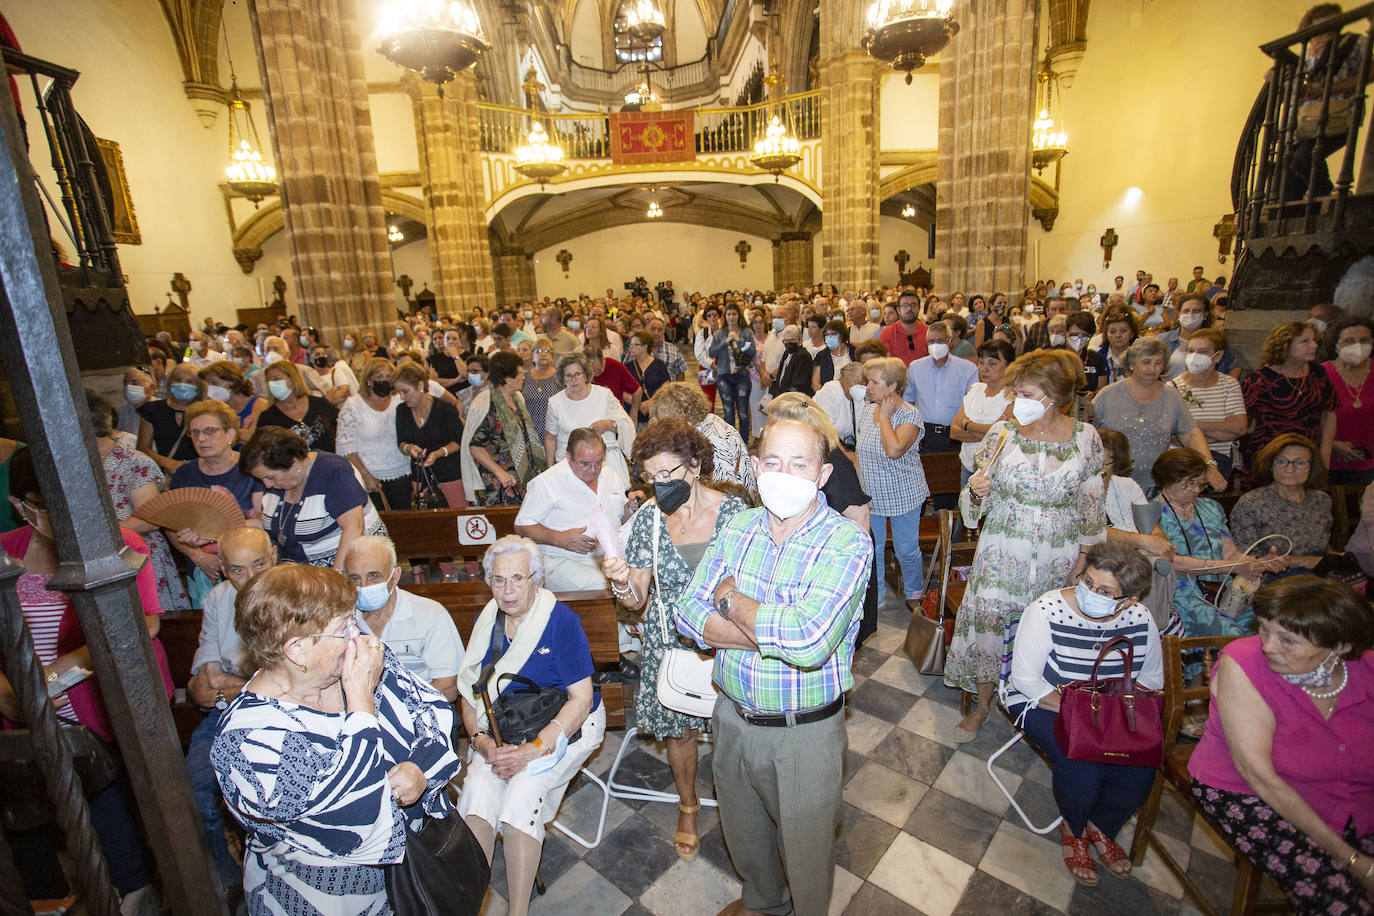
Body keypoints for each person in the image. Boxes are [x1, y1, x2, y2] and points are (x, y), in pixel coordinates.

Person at [674, 419, 873, 916]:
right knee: (746, 841)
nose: (784, 474)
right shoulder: (739, 526)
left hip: (802, 734)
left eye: (799, 464)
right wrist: (768, 627)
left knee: (806, 859)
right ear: (756, 466)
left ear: (823, 474)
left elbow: (808, 641)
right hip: (732, 719)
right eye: (773, 462)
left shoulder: (846, 543)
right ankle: (764, 907)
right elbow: (686, 611)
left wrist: (731, 601)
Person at [211, 563, 461, 916]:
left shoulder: (357, 658)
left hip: (416, 878)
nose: (358, 637)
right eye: (343, 628)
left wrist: (420, 770)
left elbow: (434, 712)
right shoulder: (248, 739)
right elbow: (355, 818)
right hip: (318, 899)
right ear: (296, 650)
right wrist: (361, 701)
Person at [0, 448, 174, 912]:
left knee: (108, 797)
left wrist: (48, 678)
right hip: (21, 700)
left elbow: (143, 623)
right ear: (21, 506)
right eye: (45, 506)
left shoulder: (118, 544)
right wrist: (12, 690)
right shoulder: (6, 550)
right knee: (31, 807)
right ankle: (52, 897)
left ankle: (135, 889)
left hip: (97, 696)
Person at [602, 418, 748, 861]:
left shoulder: (738, 515)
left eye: (670, 473)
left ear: (696, 464)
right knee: (679, 733)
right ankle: (688, 806)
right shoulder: (649, 519)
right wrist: (622, 582)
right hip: (670, 643)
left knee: (734, 733)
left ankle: (741, 809)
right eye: (652, 476)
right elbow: (638, 597)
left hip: (728, 643)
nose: (661, 484)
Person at [945, 350, 1107, 742]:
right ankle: (983, 705)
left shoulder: (1086, 439)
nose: (1019, 401)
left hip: (1058, 554)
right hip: (1003, 551)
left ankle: (1035, 703)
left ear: (1054, 396)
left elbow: (1091, 507)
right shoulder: (1002, 435)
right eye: (1016, 392)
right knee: (990, 626)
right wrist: (978, 491)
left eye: (1028, 393)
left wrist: (1084, 560)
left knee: (1042, 631)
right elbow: (972, 502)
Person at [1188, 575, 1374, 913]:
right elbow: (1261, 777)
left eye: (1287, 640)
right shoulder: (1244, 663)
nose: (1269, 645)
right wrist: (1357, 862)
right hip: (1249, 788)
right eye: (1263, 629)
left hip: (1353, 796)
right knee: (1340, 901)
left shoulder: (1368, 669)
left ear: (1340, 646)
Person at [455, 536, 606, 916]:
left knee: (522, 793)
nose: (508, 590)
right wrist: (482, 743)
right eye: (499, 580)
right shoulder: (486, 620)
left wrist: (532, 750)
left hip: (564, 726)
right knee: (477, 788)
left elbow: (581, 700)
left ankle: (517, 911)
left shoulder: (561, 622)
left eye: (518, 579)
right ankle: (472, 903)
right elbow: (471, 694)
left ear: (536, 579)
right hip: (501, 729)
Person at [1006, 543, 1163, 886]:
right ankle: (1074, 827)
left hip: (1113, 708)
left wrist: (1109, 718)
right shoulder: (1047, 610)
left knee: (1141, 766)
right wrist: (1087, 716)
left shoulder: (1140, 619)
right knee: (1082, 762)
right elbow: (1026, 681)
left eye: (1105, 591)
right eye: (1088, 581)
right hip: (1047, 699)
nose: (1091, 592)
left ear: (1128, 600)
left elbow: (1151, 680)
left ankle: (1102, 825)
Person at [185, 526, 275, 898]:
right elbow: (206, 660)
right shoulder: (219, 599)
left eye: (259, 564)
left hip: (275, 714)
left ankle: (268, 874)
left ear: (273, 556)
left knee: (258, 795)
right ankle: (225, 884)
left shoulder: (298, 594)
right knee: (192, 791)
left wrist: (228, 683)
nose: (251, 578)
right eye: (238, 570)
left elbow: (289, 676)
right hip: (224, 714)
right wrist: (206, 681)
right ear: (222, 568)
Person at [764, 393, 879, 644]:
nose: (768, 431)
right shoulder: (800, 459)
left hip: (840, 558)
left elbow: (860, 518)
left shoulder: (833, 461)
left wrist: (858, 572)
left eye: (774, 425)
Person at [1152, 448, 1285, 638]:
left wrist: (1259, 562)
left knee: (1266, 622)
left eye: (1201, 484)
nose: (1196, 490)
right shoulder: (1152, 513)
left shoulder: (1211, 508)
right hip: (1180, 595)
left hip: (1225, 591)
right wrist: (1232, 567)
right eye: (1189, 484)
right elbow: (1172, 562)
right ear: (1167, 479)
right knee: (1230, 633)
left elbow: (1231, 555)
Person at [86, 389, 191, 612]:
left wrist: (98, 533)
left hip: (136, 556)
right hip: (96, 559)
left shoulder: (132, 462)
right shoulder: (77, 465)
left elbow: (150, 519)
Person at [240, 427, 386, 571]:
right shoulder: (279, 482)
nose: (267, 484)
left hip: (354, 564)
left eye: (270, 477)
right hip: (301, 572)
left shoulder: (334, 471)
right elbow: (267, 520)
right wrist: (235, 527)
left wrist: (338, 576)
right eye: (262, 479)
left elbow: (354, 527)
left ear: (294, 463)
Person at [1093, 337, 1227, 494]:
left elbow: (1190, 433)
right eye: (1146, 362)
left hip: (1157, 484)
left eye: (1158, 363)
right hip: (1112, 484)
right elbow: (1086, 433)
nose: (1153, 368)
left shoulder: (1172, 396)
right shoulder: (1108, 395)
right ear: (1131, 364)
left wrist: (1209, 465)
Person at [341, 535, 463, 699]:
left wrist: (399, 717)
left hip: (420, 713)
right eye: (355, 578)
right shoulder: (339, 619)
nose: (364, 586)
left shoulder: (431, 615)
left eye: (374, 576)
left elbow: (448, 685)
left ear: (395, 576)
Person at [514, 428, 629, 592]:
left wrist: (632, 508)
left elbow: (624, 516)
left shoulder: (610, 475)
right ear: (568, 457)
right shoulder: (546, 482)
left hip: (612, 559)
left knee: (639, 581)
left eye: (599, 462)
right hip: (561, 561)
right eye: (585, 464)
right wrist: (559, 538)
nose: (593, 469)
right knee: (610, 587)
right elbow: (521, 527)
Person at [858, 356, 930, 607]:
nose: (868, 387)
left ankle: (914, 592)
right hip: (872, 493)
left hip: (903, 494)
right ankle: (876, 596)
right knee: (873, 549)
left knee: (906, 550)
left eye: (874, 382)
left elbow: (894, 449)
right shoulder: (868, 409)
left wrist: (886, 417)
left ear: (893, 386)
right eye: (867, 381)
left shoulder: (910, 415)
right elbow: (862, 451)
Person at [1242, 321, 1337, 483]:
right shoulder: (1260, 379)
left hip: (1309, 454)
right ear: (1285, 345)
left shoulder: (1318, 373)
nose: (1314, 345)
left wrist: (1324, 455)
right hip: (1271, 455)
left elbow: (1329, 414)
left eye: (1314, 340)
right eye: (1305, 341)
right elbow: (1242, 418)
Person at [1229, 434, 1333, 575]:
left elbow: (1323, 548)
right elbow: (1243, 558)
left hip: (1319, 574)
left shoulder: (1321, 500)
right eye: (1281, 462)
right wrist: (1299, 561)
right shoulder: (1251, 503)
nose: (1290, 469)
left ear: (1312, 467)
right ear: (1270, 466)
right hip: (1269, 579)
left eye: (1300, 463)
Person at [461, 350, 547, 506]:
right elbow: (475, 446)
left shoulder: (517, 397)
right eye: (520, 373)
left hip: (522, 477)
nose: (524, 376)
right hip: (499, 483)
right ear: (508, 379)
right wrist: (500, 473)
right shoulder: (485, 403)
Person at [1167, 327, 1248, 481]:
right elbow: (1172, 434)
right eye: (1191, 351)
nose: (1194, 356)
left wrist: (1190, 427)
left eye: (1202, 351)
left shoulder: (1229, 385)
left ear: (1218, 356)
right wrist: (1222, 429)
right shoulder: (1172, 387)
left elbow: (1239, 428)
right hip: (1183, 460)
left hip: (1220, 460)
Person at [651, 382, 757, 495]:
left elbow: (727, 489)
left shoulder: (714, 439)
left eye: (664, 421)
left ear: (678, 416)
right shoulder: (709, 422)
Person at [336, 358, 411, 513]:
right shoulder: (354, 405)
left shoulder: (400, 400)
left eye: (388, 376)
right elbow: (345, 446)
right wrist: (366, 475)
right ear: (369, 380)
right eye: (379, 377)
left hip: (402, 472)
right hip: (369, 477)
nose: (384, 381)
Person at [393, 362, 466, 509]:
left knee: (456, 517)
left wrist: (438, 453)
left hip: (449, 473)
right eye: (398, 392)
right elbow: (401, 441)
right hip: (420, 475)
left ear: (420, 385)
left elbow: (458, 441)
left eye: (405, 391)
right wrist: (409, 448)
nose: (402, 397)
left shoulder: (445, 409)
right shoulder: (402, 410)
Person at [904, 319, 979, 459]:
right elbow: (908, 402)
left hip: (955, 435)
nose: (935, 345)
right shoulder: (915, 367)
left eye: (940, 341)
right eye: (931, 341)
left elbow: (973, 405)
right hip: (924, 435)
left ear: (949, 341)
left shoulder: (967, 369)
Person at [952, 339, 1014, 487]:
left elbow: (1002, 438)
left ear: (1009, 366)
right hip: (967, 465)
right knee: (965, 508)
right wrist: (991, 429)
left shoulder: (1013, 396)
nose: (984, 368)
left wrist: (966, 424)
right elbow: (954, 432)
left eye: (992, 363)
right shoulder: (974, 389)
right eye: (981, 362)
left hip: (995, 470)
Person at [1322, 317, 1374, 486]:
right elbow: (1304, 417)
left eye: (1364, 340)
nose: (1357, 346)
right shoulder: (1320, 374)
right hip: (1327, 461)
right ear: (1336, 344)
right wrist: (1333, 444)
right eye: (1349, 341)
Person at [255, 359, 338, 453]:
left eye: (276, 379)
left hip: (330, 464)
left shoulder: (321, 405)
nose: (272, 384)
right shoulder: (267, 418)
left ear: (293, 379)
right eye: (268, 380)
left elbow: (344, 426)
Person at [137, 361, 204, 472]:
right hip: (165, 474)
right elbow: (142, 449)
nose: (182, 385)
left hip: (199, 472)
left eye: (189, 382)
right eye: (178, 380)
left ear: (198, 387)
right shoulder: (153, 410)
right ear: (169, 383)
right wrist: (169, 463)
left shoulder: (205, 411)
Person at [709, 303, 756, 441]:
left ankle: (744, 442)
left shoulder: (746, 332)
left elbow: (751, 351)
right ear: (725, 316)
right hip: (724, 376)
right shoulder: (719, 334)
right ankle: (730, 442)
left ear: (738, 315)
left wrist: (738, 340)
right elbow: (712, 352)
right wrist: (725, 341)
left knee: (742, 412)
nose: (731, 317)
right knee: (728, 412)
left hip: (742, 375)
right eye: (728, 314)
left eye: (734, 314)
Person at [201, 360, 267, 441]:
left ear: (232, 382)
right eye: (208, 384)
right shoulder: (215, 408)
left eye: (214, 383)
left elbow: (254, 438)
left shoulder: (259, 404)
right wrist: (240, 433)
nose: (210, 388)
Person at [623, 329, 671, 427]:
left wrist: (651, 402)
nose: (630, 347)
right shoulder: (628, 366)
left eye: (635, 345)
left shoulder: (659, 365)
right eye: (630, 344)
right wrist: (638, 404)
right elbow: (622, 391)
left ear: (645, 347)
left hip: (654, 415)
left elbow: (665, 388)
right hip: (633, 415)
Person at [813, 360, 866, 448]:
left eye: (865, 384)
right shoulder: (831, 390)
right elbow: (824, 431)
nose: (864, 387)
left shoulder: (857, 397)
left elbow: (860, 429)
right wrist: (845, 453)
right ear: (847, 381)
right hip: (825, 445)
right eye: (861, 383)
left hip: (846, 445)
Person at [521, 337, 563, 438]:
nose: (543, 354)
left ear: (552, 356)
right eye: (539, 351)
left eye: (547, 351)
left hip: (555, 432)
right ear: (532, 356)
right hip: (529, 432)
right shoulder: (523, 377)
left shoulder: (561, 377)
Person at [877, 289, 929, 365]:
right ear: (898, 310)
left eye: (913, 305)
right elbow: (883, 364)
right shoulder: (887, 333)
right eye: (905, 305)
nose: (909, 309)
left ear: (919, 308)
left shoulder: (929, 332)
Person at [1095, 308, 1139, 385]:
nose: (1118, 335)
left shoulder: (1142, 355)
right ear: (1106, 335)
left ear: (1132, 334)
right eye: (1113, 332)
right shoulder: (1097, 357)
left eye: (1123, 331)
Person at [768, 325, 813, 396]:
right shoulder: (787, 353)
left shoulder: (803, 356)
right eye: (786, 340)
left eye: (792, 340)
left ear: (800, 340)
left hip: (793, 398)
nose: (788, 344)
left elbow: (798, 384)